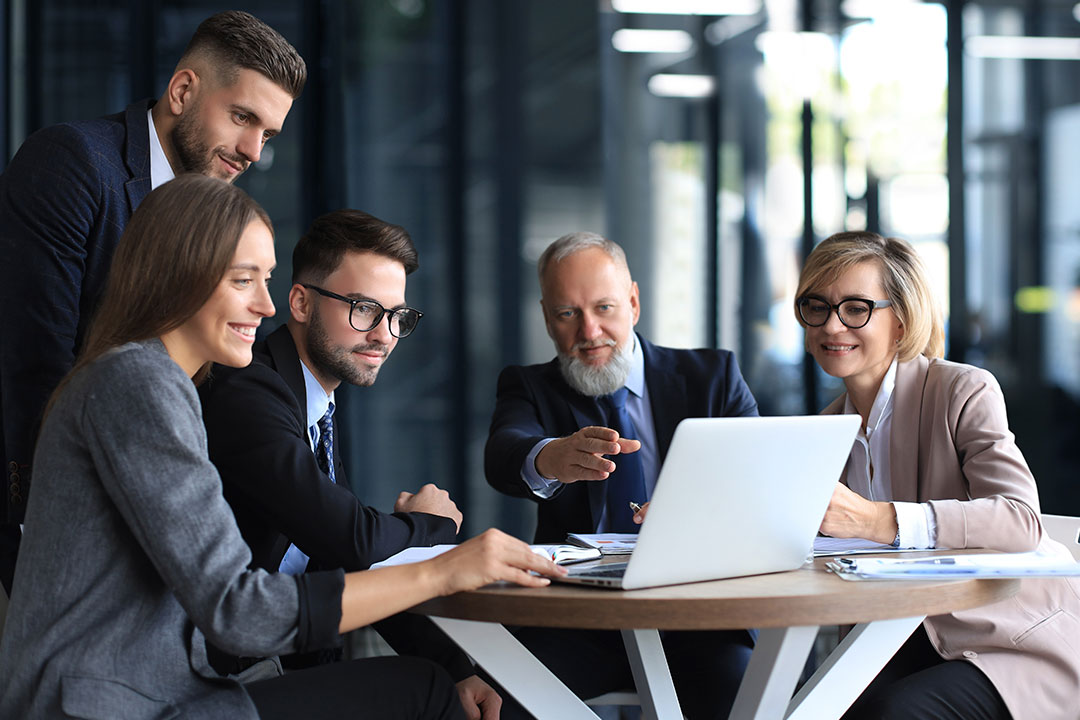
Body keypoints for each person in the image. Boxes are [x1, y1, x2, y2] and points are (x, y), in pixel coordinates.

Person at [0, 174, 563, 720]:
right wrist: (442, 569)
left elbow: (328, 551)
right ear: (180, 274)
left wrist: (454, 654)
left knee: (435, 686)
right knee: (425, 692)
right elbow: (237, 610)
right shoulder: (142, 385)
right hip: (116, 704)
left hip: (160, 688)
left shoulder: (159, 381)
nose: (266, 306)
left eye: (264, 280)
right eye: (244, 280)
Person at [0, 10, 305, 594]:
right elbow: (34, 363)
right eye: (243, 117)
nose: (253, 152)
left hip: (155, 533)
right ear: (183, 90)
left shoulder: (213, 219)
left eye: (267, 134)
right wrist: (38, 532)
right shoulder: (73, 164)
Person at [199, 209, 504, 718]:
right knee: (423, 689)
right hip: (212, 679)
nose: (384, 335)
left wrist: (457, 667)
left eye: (397, 316)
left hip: (277, 663)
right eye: (364, 308)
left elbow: (347, 556)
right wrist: (428, 523)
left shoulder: (312, 403)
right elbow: (350, 538)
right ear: (299, 301)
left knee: (462, 688)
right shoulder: (249, 390)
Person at [795, 230, 1080, 720]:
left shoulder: (962, 390)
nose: (832, 325)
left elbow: (1019, 521)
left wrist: (877, 520)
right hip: (886, 639)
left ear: (901, 323)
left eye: (857, 308)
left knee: (891, 713)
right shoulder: (825, 430)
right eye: (816, 306)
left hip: (1004, 644)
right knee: (808, 708)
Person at [484, 231, 758, 718]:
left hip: (698, 620)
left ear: (633, 302)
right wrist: (551, 456)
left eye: (604, 308)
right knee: (497, 704)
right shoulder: (528, 385)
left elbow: (758, 480)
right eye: (568, 314)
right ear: (548, 317)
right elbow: (505, 455)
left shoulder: (712, 377)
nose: (589, 332)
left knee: (751, 701)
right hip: (577, 623)